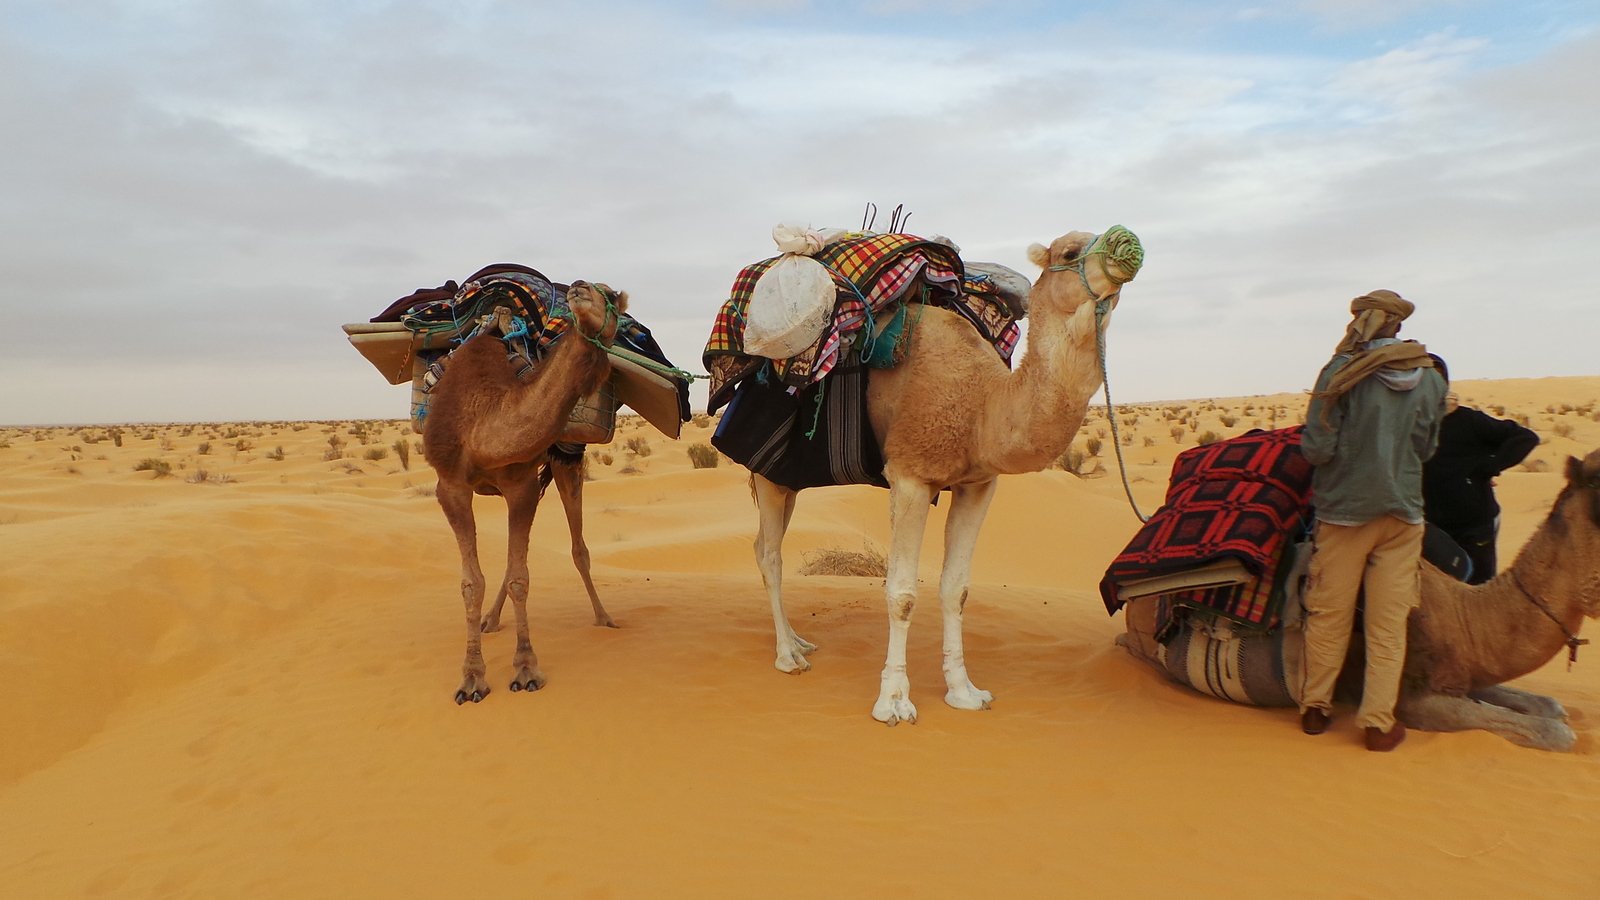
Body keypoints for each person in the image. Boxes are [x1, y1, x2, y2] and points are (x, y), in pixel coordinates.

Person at [1297, 289, 1448, 752]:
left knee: (1329, 613)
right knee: (1388, 624)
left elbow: (1317, 448)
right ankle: (1378, 724)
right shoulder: (1430, 377)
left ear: (1362, 321)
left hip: (1344, 514)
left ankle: (1316, 708)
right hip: (1402, 514)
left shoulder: (1339, 372)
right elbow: (1427, 448)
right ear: (1397, 326)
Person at [1422, 397, 1539, 584]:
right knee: (1437, 594)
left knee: (1479, 591)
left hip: (1475, 526)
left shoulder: (1468, 420)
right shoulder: (1413, 422)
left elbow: (1525, 438)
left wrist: (1489, 467)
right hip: (1433, 528)